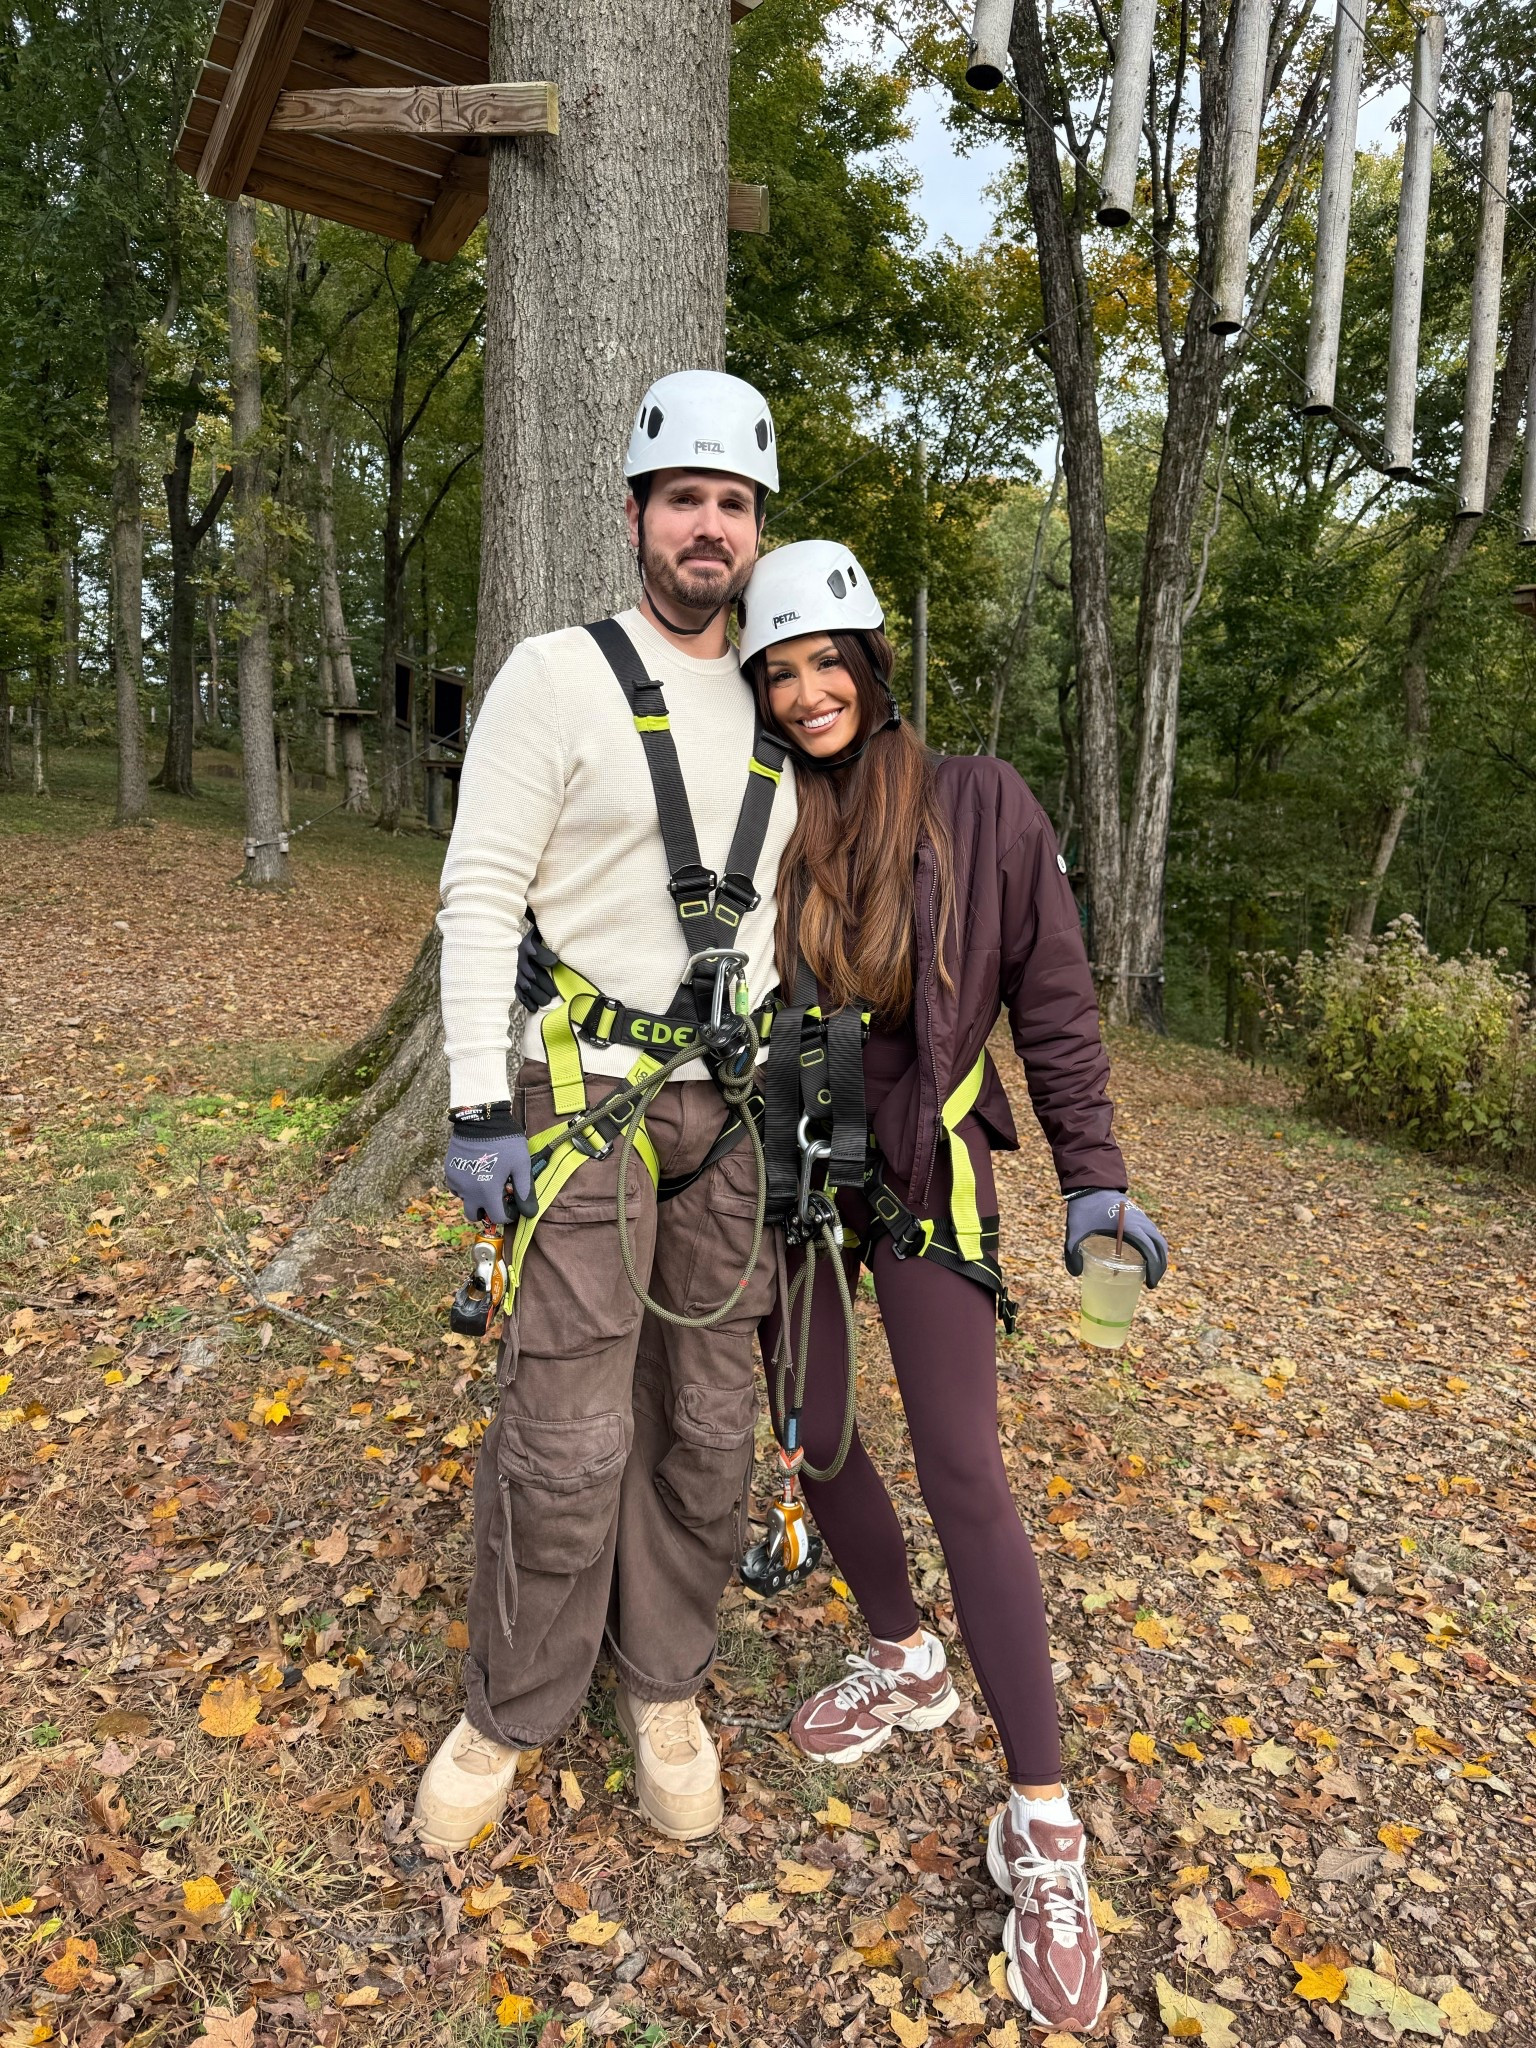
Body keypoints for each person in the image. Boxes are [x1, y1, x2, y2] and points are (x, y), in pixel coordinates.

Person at [735, 540, 1169, 2034]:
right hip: (797, 1166)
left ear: (871, 660)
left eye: (826, 661)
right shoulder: (758, 816)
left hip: (929, 1170)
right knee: (818, 1431)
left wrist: (1093, 1167)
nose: (806, 694)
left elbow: (1051, 992)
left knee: (966, 1468)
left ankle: (1043, 1821)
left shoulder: (980, 800)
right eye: (779, 672)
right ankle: (899, 1653)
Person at [416, 371, 795, 1851]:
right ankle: (512, 1700)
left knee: (705, 1422)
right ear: (637, 514)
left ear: (757, 534)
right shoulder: (556, 676)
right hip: (581, 1099)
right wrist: (470, 1104)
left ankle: (666, 1681)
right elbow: (478, 891)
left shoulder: (788, 686)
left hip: (738, 1115)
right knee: (566, 1428)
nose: (709, 528)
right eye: (686, 499)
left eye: (735, 506)